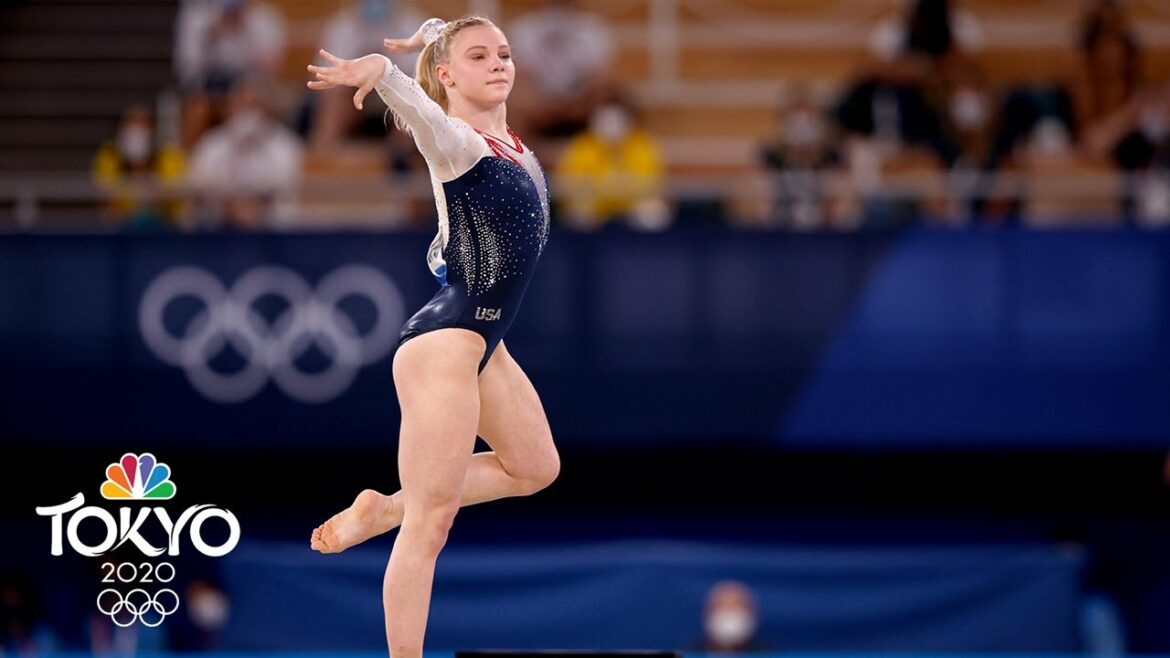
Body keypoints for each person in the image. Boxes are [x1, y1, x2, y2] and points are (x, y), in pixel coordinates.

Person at [303, 15, 560, 658]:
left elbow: (448, 49)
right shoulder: (459, 145)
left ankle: (381, 508)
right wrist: (387, 72)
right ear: (449, 76)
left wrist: (437, 32)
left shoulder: (511, 145)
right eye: (480, 56)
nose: (499, 62)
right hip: (444, 344)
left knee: (535, 466)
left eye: (504, 52)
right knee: (431, 524)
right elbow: (421, 114)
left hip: (483, 343)